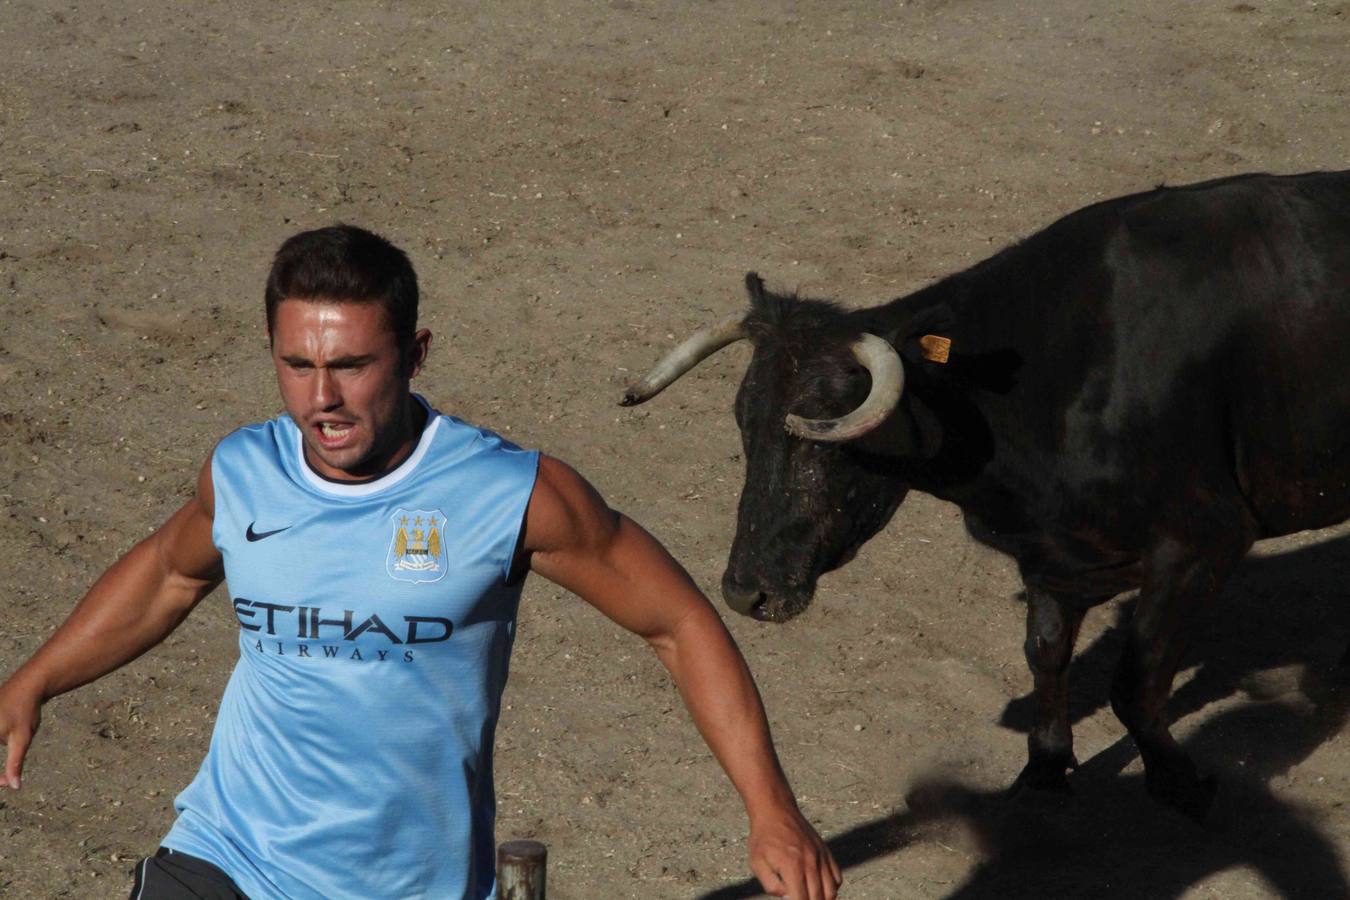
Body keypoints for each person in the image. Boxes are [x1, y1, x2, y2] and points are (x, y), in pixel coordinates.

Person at [0, 225, 842, 900]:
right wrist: (31, 682)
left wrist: (771, 810)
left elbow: (679, 623)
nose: (320, 399)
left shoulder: (509, 492)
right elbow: (167, 575)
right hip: (229, 855)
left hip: (412, 882)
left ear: (415, 352)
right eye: (297, 366)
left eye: (351, 366)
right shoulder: (244, 472)